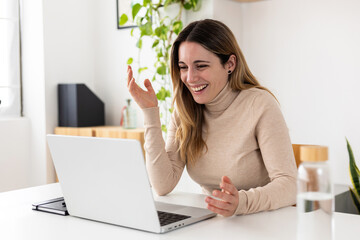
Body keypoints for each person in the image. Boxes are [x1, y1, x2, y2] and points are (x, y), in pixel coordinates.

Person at [126, 19, 297, 217]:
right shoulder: (184, 110)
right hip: (213, 223)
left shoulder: (259, 104)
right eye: (183, 67)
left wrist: (241, 202)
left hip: (262, 221)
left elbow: (290, 185)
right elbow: (162, 184)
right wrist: (150, 112)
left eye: (201, 66)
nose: (190, 78)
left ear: (230, 64)